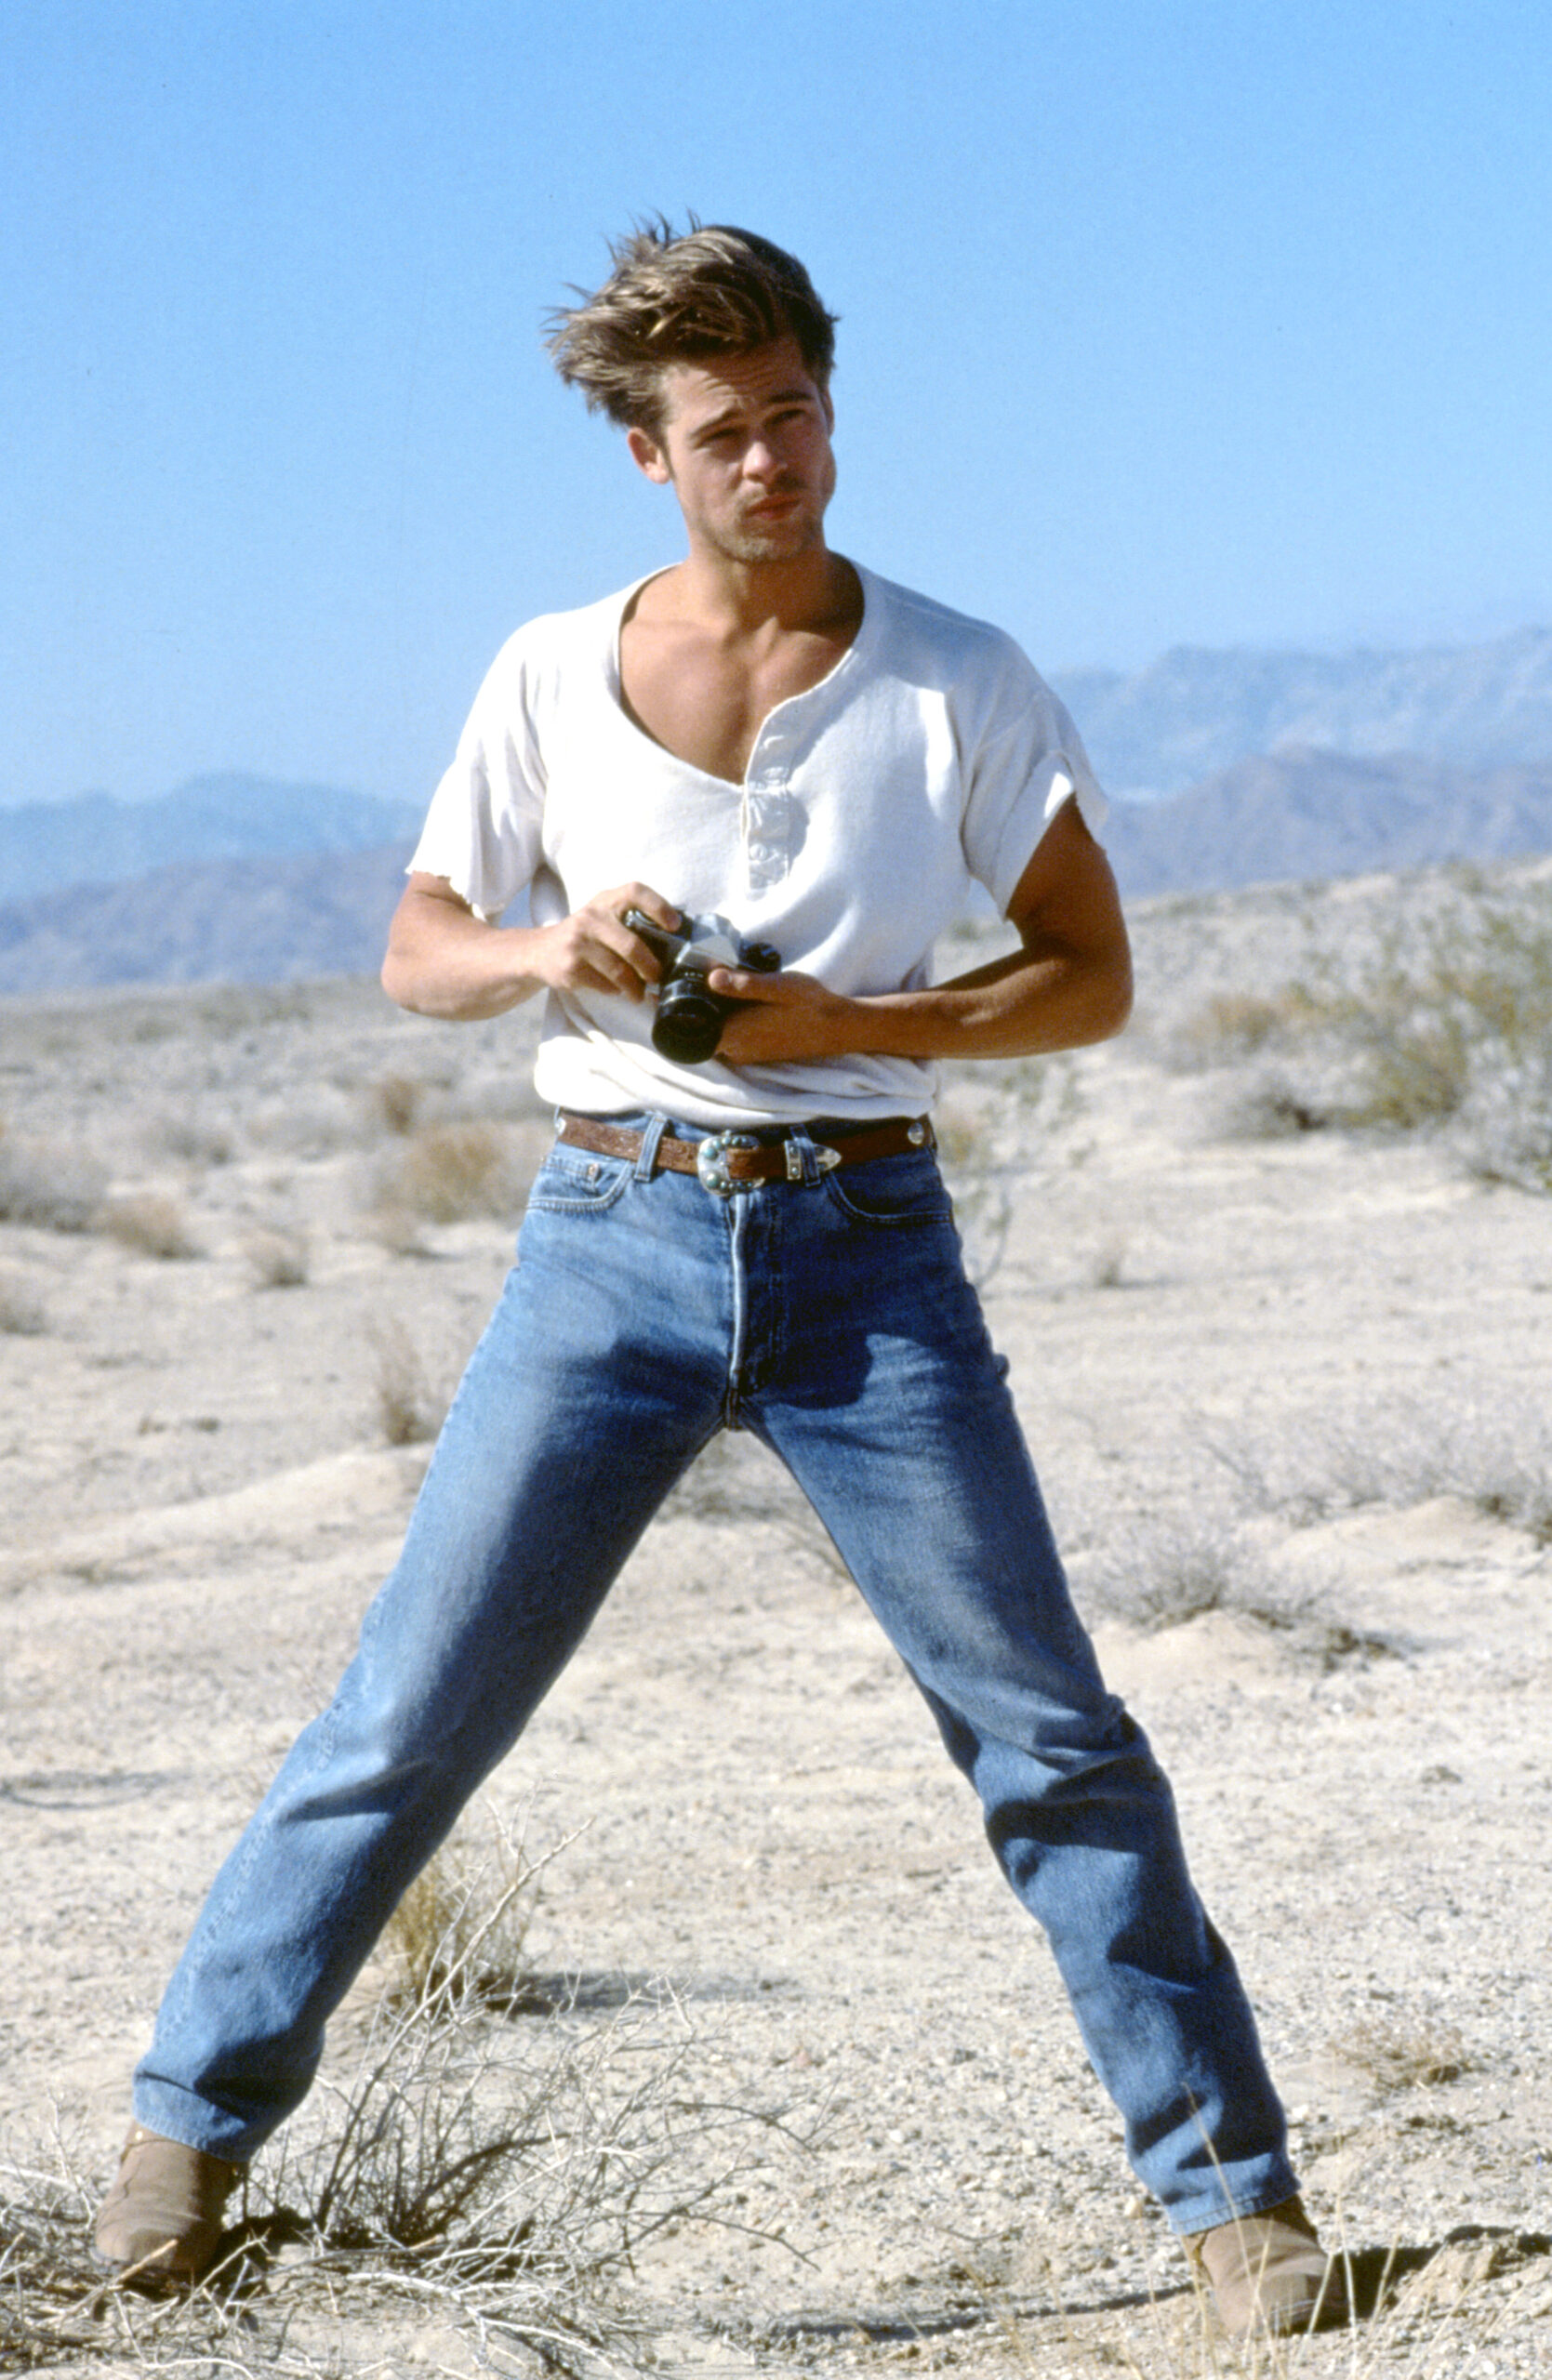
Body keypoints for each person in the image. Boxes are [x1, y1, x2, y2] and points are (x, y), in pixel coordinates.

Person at [96, 221, 1337, 2337]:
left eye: (796, 414)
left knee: (1050, 1738)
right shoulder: (541, 671)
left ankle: (1238, 2206)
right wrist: (548, 947)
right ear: (648, 457)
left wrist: (854, 1020)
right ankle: (174, 2156)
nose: (771, 458)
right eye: (723, 431)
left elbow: (1089, 976)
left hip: (870, 1255)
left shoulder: (956, 676)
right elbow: (416, 951)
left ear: (830, 413)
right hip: (609, 1243)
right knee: (406, 1715)